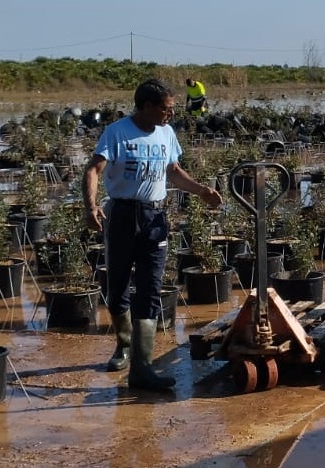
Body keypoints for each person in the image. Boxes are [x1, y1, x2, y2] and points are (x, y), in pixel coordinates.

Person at [82, 78, 223, 391]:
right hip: (121, 215)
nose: (170, 114)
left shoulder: (167, 133)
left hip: (155, 216)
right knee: (117, 282)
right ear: (147, 106)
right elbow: (93, 169)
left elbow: (173, 171)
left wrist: (201, 191)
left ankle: (142, 368)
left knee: (151, 287)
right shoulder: (117, 132)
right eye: (166, 109)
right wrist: (90, 206)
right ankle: (124, 344)